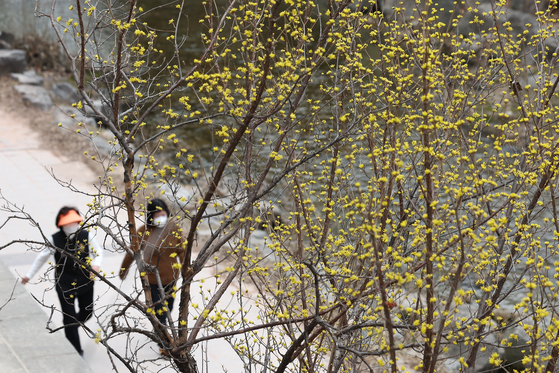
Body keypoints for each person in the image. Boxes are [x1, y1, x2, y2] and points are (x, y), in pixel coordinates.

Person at [22, 206, 104, 356]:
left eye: (74, 223)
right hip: (64, 282)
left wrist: (96, 264)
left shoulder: (86, 235)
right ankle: (76, 351)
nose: (71, 226)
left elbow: (98, 252)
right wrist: (28, 275)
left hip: (85, 280)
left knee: (87, 312)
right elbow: (41, 257)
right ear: (60, 224)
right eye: (68, 223)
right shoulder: (55, 239)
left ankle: (71, 328)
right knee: (69, 317)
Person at [119, 198, 186, 351]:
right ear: (151, 216)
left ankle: (160, 331)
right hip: (152, 280)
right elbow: (132, 252)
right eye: (157, 216)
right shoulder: (143, 231)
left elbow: (181, 251)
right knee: (160, 312)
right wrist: (123, 270)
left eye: (163, 214)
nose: (160, 218)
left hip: (171, 279)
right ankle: (164, 344)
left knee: (168, 308)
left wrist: (185, 269)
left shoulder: (173, 228)